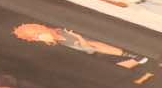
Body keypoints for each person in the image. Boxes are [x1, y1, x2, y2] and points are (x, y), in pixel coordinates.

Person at [12, 22, 149, 69]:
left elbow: (90, 47)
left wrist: (79, 38)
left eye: (38, 34)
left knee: (94, 45)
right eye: (35, 38)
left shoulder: (60, 31)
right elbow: (88, 51)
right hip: (95, 56)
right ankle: (135, 58)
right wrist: (79, 38)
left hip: (100, 46)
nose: (39, 38)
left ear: (41, 29)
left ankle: (133, 56)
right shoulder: (58, 45)